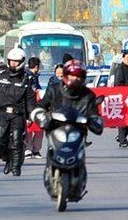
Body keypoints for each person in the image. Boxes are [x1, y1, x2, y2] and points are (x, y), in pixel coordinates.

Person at [32, 60, 103, 195]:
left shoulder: (88, 95)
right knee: (52, 150)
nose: (75, 78)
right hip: (56, 129)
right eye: (72, 75)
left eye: (79, 76)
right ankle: (50, 173)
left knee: (80, 154)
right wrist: (41, 115)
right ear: (65, 75)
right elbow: (41, 105)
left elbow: (94, 114)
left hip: (77, 132)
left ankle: (79, 178)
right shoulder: (53, 90)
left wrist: (94, 121)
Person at [0, 48, 36, 176]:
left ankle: (16, 167)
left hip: (17, 113)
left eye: (16, 62)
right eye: (11, 61)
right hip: (1, 113)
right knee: (0, 140)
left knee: (17, 141)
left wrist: (31, 115)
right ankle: (8, 159)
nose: (13, 64)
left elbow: (30, 98)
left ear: (22, 62)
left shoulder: (27, 78)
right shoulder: (0, 73)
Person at [110, 49, 128, 149]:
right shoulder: (120, 69)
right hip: (122, 97)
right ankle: (122, 141)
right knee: (123, 120)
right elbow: (118, 84)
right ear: (123, 58)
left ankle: (121, 137)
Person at [25, 57, 44, 158]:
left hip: (34, 105)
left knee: (38, 129)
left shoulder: (33, 76)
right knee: (29, 128)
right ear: (37, 66)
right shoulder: (29, 77)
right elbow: (34, 91)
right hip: (31, 105)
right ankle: (29, 149)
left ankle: (34, 149)